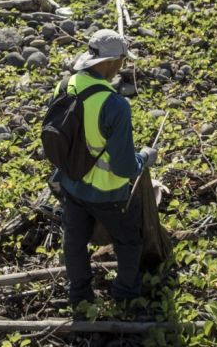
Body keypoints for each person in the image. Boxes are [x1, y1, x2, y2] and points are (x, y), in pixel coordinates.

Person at [54, 29, 156, 308]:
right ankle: (125, 295)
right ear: (110, 62)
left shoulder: (66, 85)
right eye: (122, 61)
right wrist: (145, 157)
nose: (122, 67)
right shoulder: (115, 105)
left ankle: (79, 295)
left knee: (74, 242)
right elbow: (124, 167)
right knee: (128, 242)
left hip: (71, 183)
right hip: (107, 193)